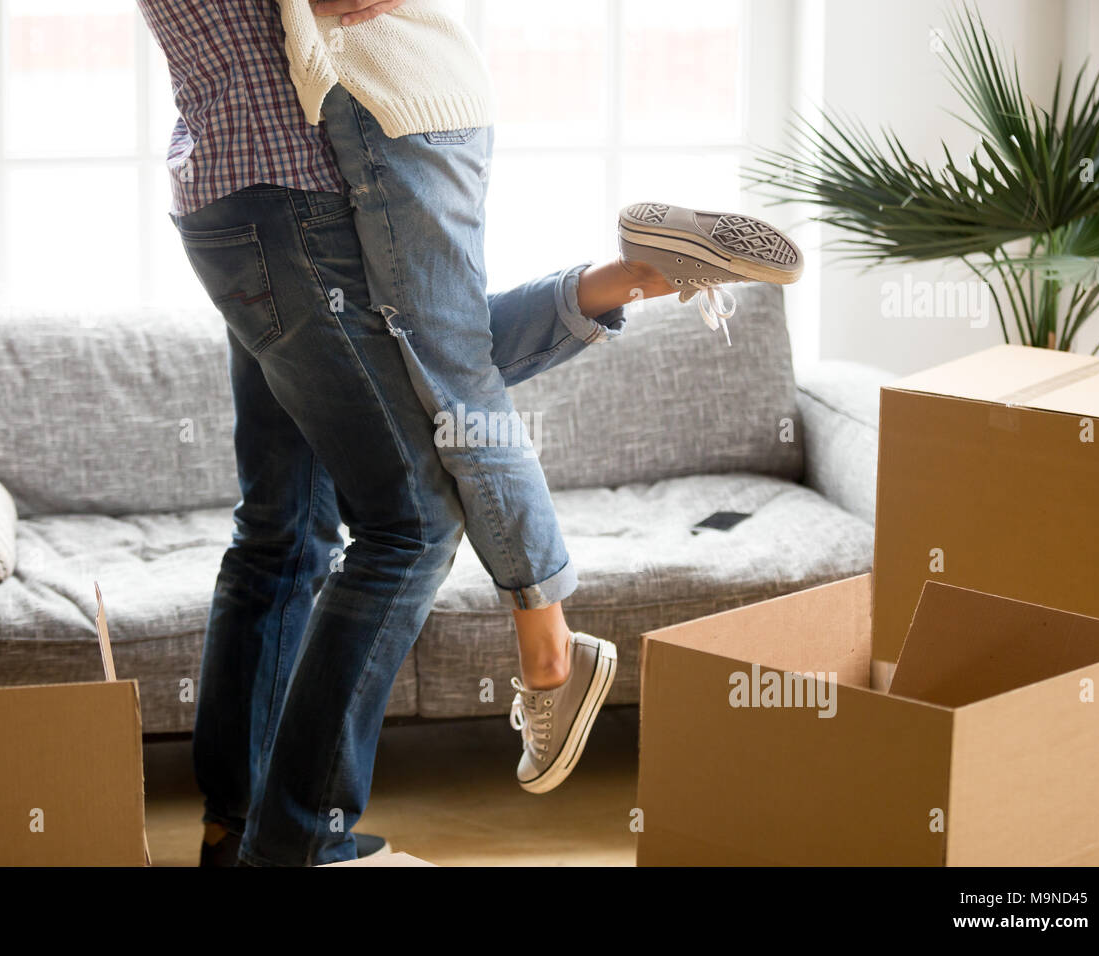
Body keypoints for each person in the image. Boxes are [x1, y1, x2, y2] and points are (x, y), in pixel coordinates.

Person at [137, 0, 802, 866]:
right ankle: (301, 841)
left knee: (288, 523)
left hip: (244, 187)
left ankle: (243, 830)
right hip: (307, 180)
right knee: (410, 513)